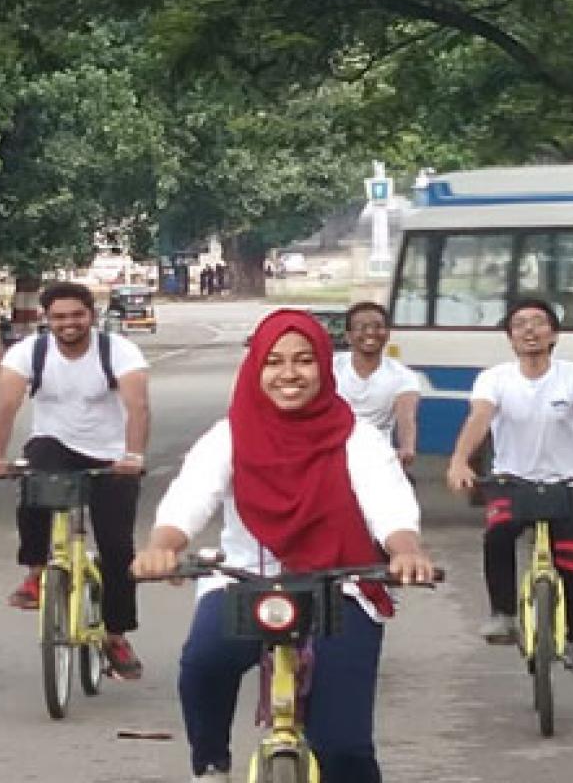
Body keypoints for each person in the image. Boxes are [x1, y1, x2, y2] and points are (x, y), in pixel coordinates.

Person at [132, 309, 435, 783]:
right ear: (255, 368)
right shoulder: (230, 435)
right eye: (273, 362)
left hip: (341, 584)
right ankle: (210, 766)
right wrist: (162, 546)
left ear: (324, 366)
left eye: (303, 360)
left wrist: (405, 551)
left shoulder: (356, 437)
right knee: (203, 664)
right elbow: (190, 497)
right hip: (247, 581)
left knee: (343, 746)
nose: (289, 374)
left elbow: (388, 503)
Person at [445, 298, 573, 681]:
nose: (529, 330)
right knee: (497, 536)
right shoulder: (494, 378)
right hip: (512, 482)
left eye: (538, 322)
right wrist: (459, 462)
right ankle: (503, 615)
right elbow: (479, 419)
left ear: (554, 334)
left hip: (570, 483)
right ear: (510, 337)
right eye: (519, 324)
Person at [0, 281, 150, 680]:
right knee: (33, 480)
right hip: (54, 444)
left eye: (77, 315)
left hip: (111, 455)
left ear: (92, 315)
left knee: (117, 549)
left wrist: (133, 456)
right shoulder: (29, 352)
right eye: (58, 317)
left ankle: (115, 634)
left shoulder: (119, 351)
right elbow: (5, 405)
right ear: (47, 319)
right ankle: (37, 572)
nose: (68, 323)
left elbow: (138, 407)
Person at [333, 301, 420, 466]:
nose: (370, 332)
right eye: (361, 327)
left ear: (387, 333)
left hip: (377, 455)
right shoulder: (331, 368)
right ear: (348, 336)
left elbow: (407, 418)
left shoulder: (404, 376)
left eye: (378, 326)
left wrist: (407, 447)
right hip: (333, 451)